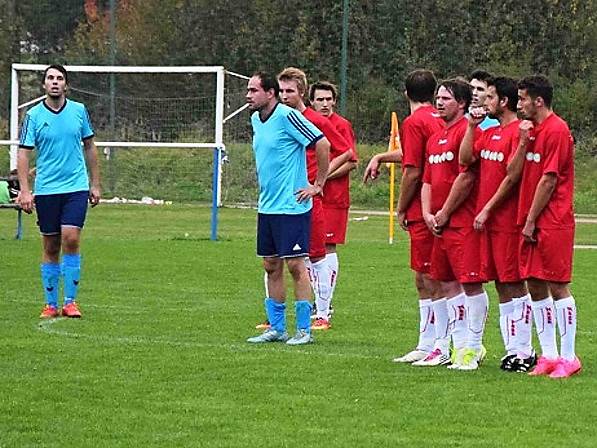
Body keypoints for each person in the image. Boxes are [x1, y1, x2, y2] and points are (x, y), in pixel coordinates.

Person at [363, 69, 444, 364]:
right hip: (440, 202)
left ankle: (439, 344)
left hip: (423, 207)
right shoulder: (437, 119)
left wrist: (400, 206)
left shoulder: (414, 122)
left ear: (406, 93)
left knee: (430, 277)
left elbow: (413, 170)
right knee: (426, 278)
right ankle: (428, 342)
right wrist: (381, 156)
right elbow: (416, 155)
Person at [245, 71, 330, 345]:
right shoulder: (256, 120)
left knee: (295, 265)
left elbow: (322, 143)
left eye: (253, 90)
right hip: (267, 207)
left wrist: (317, 184)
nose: (248, 95)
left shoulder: (287, 116)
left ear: (269, 93)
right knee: (271, 265)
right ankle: (277, 328)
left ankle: (304, 330)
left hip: (292, 206)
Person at [459, 76, 535, 372]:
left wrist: (488, 209)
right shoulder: (490, 133)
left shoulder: (517, 132)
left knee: (515, 284)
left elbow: (512, 177)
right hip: (489, 224)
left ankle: (525, 350)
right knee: (503, 285)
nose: (484, 101)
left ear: (504, 101)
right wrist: (471, 126)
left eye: (489, 97)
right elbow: (467, 159)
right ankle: (512, 350)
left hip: (508, 221)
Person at [17, 64, 100, 319]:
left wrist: (95, 183)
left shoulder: (78, 111)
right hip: (47, 189)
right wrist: (24, 190)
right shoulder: (33, 116)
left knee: (71, 238)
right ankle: (50, 304)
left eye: (59, 78)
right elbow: (24, 153)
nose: (55, 82)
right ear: (44, 85)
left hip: (76, 186)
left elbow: (90, 146)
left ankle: (71, 302)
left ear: (66, 84)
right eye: (50, 78)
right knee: (51, 245)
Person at [417, 78, 489, 369]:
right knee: (446, 283)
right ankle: (454, 346)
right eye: (438, 97)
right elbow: (427, 180)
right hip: (438, 223)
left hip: (461, 222)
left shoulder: (466, 133)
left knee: (469, 283)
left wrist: (445, 212)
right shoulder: (435, 138)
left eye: (446, 98)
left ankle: (471, 347)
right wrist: (427, 213)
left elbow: (467, 176)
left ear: (462, 103)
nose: (439, 102)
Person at [277, 68, 353, 331]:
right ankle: (278, 315)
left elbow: (346, 153)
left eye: (289, 91)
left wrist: (319, 181)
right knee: (281, 257)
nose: (284, 96)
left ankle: (323, 312)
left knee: (320, 253)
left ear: (300, 92)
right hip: (282, 200)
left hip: (313, 199)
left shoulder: (317, 121)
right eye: (281, 91)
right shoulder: (278, 117)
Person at [516, 75, 580, 378]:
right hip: (530, 217)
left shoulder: (557, 130)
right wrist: (522, 141)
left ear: (538, 101)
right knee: (534, 283)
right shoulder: (532, 131)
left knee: (557, 284)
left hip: (552, 219)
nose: (519, 105)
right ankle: (549, 355)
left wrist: (530, 220)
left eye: (522, 99)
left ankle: (569, 357)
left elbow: (550, 179)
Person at [309, 80, 358, 324]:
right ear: (311, 102)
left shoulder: (341, 125)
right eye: (320, 99)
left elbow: (350, 159)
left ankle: (324, 308)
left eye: (329, 99)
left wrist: (321, 178)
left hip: (334, 198)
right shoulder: (306, 122)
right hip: (311, 195)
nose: (325, 104)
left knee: (327, 248)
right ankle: (313, 303)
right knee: (308, 251)